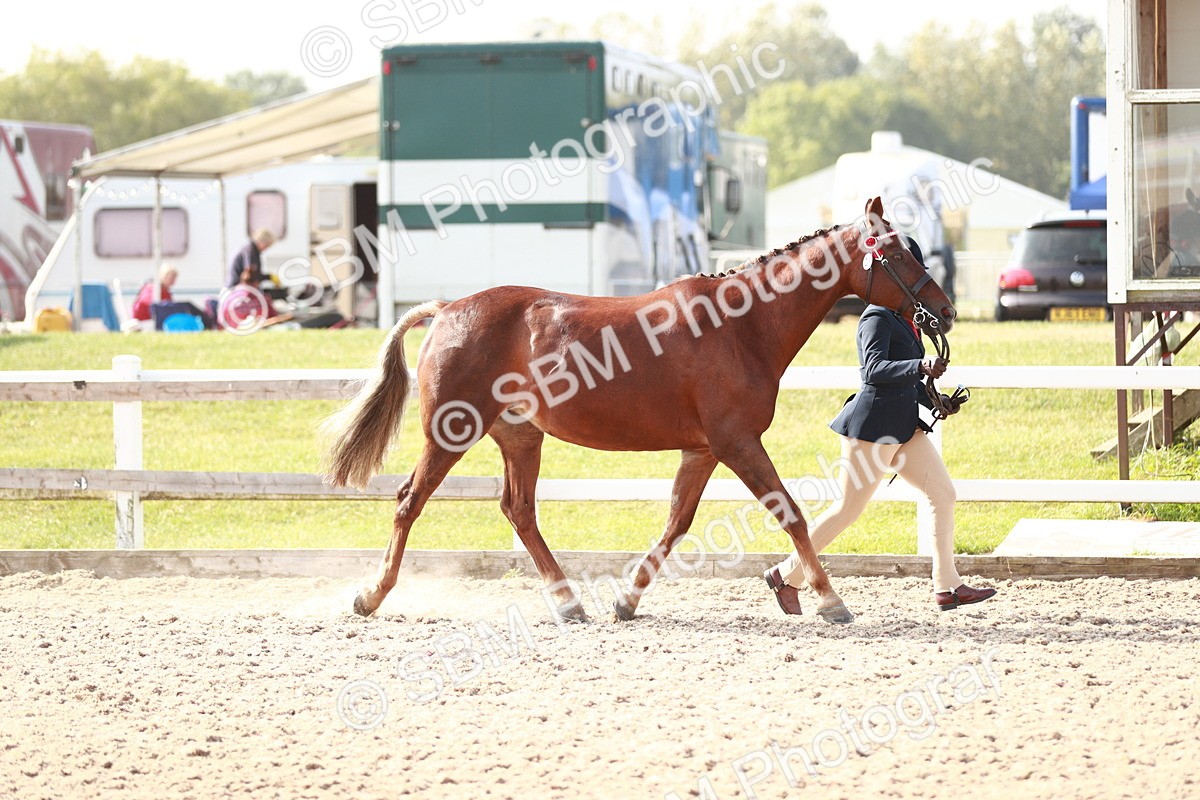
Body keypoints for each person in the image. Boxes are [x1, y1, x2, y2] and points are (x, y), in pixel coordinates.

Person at [763, 237, 997, 614]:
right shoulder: (875, 317)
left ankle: (947, 586)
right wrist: (919, 366)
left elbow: (905, 379)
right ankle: (786, 575)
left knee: (943, 493)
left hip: (905, 427)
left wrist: (935, 399)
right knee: (847, 512)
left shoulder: (909, 321)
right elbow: (873, 371)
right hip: (873, 428)